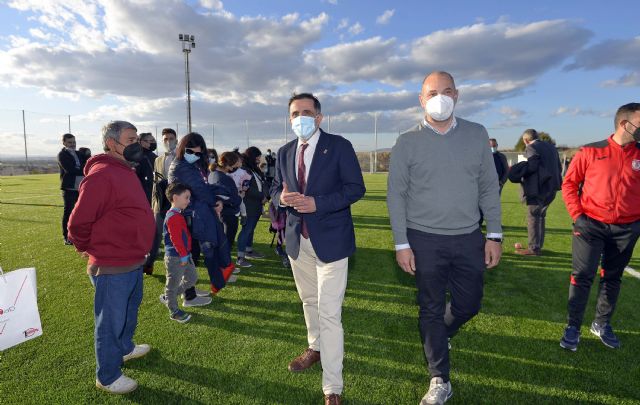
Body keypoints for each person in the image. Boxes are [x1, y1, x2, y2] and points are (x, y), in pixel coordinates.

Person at [387, 71, 502, 405]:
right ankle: (439, 378)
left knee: (469, 304)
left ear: (458, 95)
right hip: (423, 239)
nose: (441, 97)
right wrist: (401, 243)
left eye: (447, 91)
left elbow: (487, 187)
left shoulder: (477, 134)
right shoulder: (407, 141)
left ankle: (441, 335)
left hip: (469, 237)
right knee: (430, 309)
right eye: (433, 92)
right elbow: (396, 196)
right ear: (421, 99)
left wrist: (494, 234)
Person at [271, 93, 365, 405]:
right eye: (295, 113)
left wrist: (317, 203)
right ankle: (315, 347)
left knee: (329, 313)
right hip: (298, 241)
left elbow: (355, 188)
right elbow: (274, 189)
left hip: (332, 242)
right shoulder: (285, 152)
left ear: (319, 117)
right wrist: (281, 200)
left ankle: (332, 386)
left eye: (306, 112)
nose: (300, 118)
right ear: (289, 119)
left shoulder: (339, 146)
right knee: (309, 301)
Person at [67, 120, 155, 394]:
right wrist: (88, 248)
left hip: (132, 259)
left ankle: (125, 348)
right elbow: (77, 223)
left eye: (137, 139)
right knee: (110, 321)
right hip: (112, 263)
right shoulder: (103, 174)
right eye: (131, 140)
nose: (136, 145)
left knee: (129, 311)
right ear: (112, 144)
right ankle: (107, 375)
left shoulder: (124, 170)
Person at [559, 103, 640, 351]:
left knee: (612, 278)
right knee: (583, 276)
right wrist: (578, 215)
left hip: (627, 229)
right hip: (590, 225)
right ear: (625, 124)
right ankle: (573, 327)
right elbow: (569, 184)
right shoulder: (591, 151)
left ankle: (601, 324)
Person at [168, 132, 234, 294]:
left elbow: (201, 188)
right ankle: (189, 295)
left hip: (193, 214)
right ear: (183, 149)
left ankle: (193, 291)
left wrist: (216, 199)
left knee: (197, 252)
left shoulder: (188, 165)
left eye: (198, 153)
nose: (194, 156)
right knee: (192, 254)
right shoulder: (182, 166)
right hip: (189, 215)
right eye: (190, 152)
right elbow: (200, 189)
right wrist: (214, 202)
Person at [160, 182, 212, 323]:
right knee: (172, 284)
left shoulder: (177, 214)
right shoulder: (174, 217)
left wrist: (186, 254)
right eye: (186, 198)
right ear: (175, 198)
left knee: (192, 278)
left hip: (184, 255)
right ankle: (174, 311)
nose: (189, 201)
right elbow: (176, 239)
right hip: (176, 257)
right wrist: (183, 255)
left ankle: (168, 296)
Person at [514, 129, 562, 256]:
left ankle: (533, 248)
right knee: (541, 216)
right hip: (552, 187)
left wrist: (519, 170)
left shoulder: (531, 147)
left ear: (526, 140)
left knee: (533, 216)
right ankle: (538, 245)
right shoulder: (552, 148)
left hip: (538, 188)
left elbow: (533, 165)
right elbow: (559, 167)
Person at [144, 128, 178, 275]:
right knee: (156, 233)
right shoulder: (157, 159)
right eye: (165, 139)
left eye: (171, 138)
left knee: (176, 235)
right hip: (160, 202)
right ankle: (149, 263)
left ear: (176, 140)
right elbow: (155, 184)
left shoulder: (182, 158)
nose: (168, 141)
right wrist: (154, 204)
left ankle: (177, 269)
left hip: (177, 202)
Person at [235, 147, 268, 268]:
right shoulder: (244, 170)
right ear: (251, 157)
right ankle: (240, 257)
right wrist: (261, 197)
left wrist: (265, 196)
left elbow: (262, 184)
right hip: (248, 206)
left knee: (251, 229)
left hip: (256, 206)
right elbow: (248, 189)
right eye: (257, 157)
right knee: (246, 230)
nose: (259, 160)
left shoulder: (254, 170)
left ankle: (248, 250)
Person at [208, 151, 243, 251]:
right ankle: (224, 265)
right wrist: (240, 196)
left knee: (221, 242)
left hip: (219, 214)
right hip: (228, 215)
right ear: (229, 164)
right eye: (235, 164)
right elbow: (232, 199)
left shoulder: (212, 174)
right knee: (226, 244)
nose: (235, 167)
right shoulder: (224, 178)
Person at [57, 133, 84, 245]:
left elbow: (89, 164)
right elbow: (70, 170)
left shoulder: (79, 153)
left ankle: (80, 236)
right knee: (68, 212)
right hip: (69, 188)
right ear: (64, 143)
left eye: (74, 142)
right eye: (70, 142)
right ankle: (66, 237)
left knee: (82, 213)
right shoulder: (61, 155)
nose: (72, 144)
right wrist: (83, 169)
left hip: (82, 188)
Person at [135, 132, 157, 204]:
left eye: (154, 140)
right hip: (145, 197)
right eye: (151, 141)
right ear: (141, 142)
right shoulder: (137, 158)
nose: (153, 143)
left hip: (154, 195)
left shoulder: (154, 156)